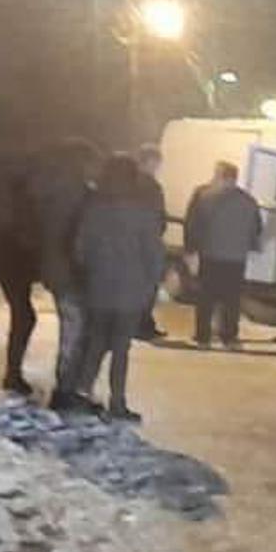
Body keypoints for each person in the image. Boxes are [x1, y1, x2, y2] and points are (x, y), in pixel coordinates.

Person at [74, 154, 165, 423]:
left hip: (99, 286)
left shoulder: (93, 210)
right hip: (130, 289)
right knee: (121, 348)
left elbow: (80, 251)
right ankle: (117, 402)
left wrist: (93, 270)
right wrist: (152, 282)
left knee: (96, 341)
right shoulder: (143, 212)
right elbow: (153, 253)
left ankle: (82, 392)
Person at [35, 138, 101, 412]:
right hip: (70, 273)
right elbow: (77, 238)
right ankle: (65, 392)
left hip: (56, 269)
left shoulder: (54, 190)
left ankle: (67, 388)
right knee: (75, 331)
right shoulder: (76, 194)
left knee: (73, 329)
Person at [184, 161, 261, 349]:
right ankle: (229, 337)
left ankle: (203, 337)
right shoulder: (249, 201)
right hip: (236, 258)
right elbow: (257, 228)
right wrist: (249, 246)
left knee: (206, 298)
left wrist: (191, 250)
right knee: (232, 300)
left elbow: (193, 225)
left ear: (220, 176)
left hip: (210, 254)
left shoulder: (203, 196)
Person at [0, 154, 40, 396]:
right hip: (14, 261)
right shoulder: (19, 198)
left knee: (24, 316)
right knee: (24, 316)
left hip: (7, 261)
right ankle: (13, 374)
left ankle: (13, 373)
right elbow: (23, 236)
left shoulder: (0, 195)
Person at [135, 144, 168, 340]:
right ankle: (143, 325)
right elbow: (157, 215)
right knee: (147, 286)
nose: (158, 167)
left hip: (133, 242)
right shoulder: (151, 186)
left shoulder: (129, 181)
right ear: (149, 161)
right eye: (157, 163)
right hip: (147, 242)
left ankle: (138, 324)